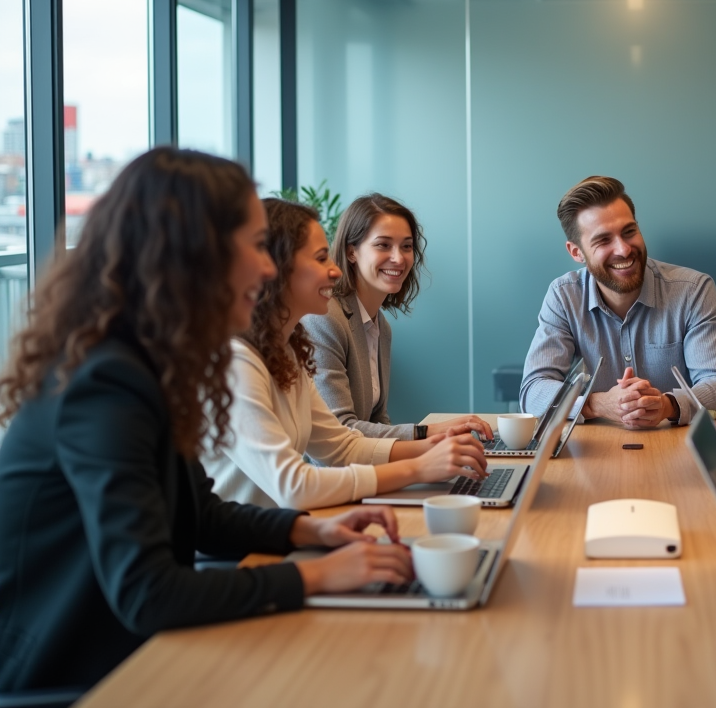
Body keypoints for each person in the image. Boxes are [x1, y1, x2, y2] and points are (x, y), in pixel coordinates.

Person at [0, 149, 413, 694]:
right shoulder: (104, 384)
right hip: (72, 680)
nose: (267, 267)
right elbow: (148, 592)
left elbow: (202, 515)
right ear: (190, 254)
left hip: (127, 654)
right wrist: (316, 573)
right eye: (252, 245)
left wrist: (311, 530)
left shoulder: (149, 364)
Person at [203, 199, 489, 511]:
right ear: (275, 268)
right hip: (241, 551)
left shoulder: (289, 353)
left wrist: (430, 447)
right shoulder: (235, 363)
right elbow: (294, 486)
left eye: (406, 246)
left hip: (281, 530)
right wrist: (419, 466)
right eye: (320, 257)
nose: (335, 270)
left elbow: (341, 445)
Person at [520, 176, 716, 428]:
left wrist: (666, 405)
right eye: (603, 240)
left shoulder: (694, 290)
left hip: (676, 451)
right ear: (576, 252)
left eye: (629, 232)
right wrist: (597, 404)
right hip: (594, 453)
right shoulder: (564, 296)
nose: (623, 250)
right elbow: (533, 392)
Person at [302, 193, 491, 443]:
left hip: (366, 473)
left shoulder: (381, 327)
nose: (399, 258)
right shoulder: (325, 319)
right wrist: (427, 434)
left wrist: (435, 452)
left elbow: (378, 419)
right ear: (351, 252)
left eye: (407, 246)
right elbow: (339, 431)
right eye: (383, 245)